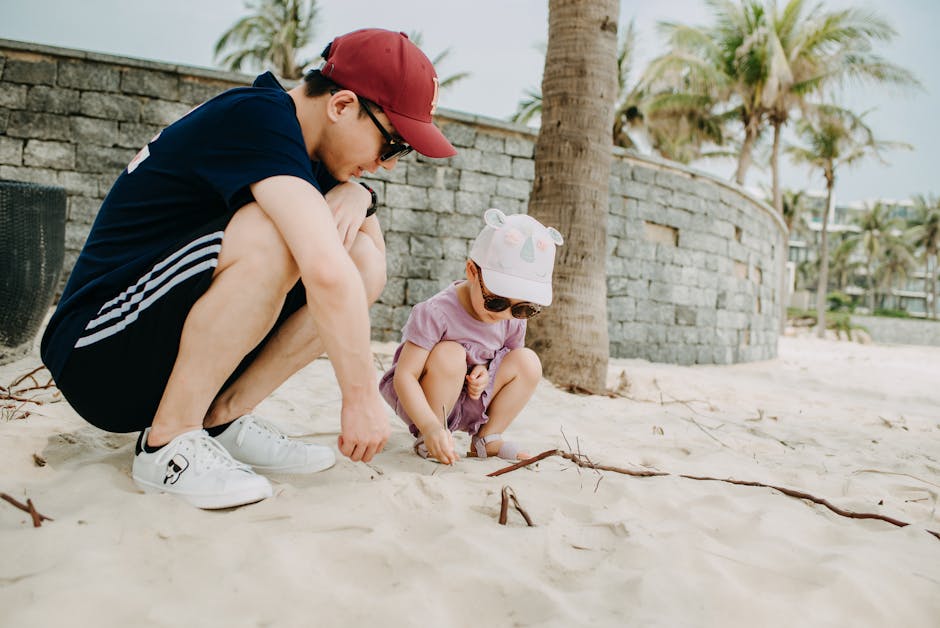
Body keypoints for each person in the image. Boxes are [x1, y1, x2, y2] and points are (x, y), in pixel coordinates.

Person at [39, 29, 457, 509]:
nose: (388, 165)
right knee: (275, 234)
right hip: (96, 350)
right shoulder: (257, 118)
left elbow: (369, 263)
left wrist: (361, 195)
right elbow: (323, 269)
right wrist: (360, 396)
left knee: (361, 259)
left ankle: (221, 418)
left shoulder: (310, 150)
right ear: (341, 106)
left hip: (147, 345)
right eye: (392, 145)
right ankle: (166, 443)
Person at [379, 208, 564, 465]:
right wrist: (430, 426)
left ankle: (486, 439)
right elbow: (405, 376)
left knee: (528, 361)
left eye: (525, 307)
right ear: (472, 271)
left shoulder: (512, 318)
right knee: (450, 353)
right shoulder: (436, 313)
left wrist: (483, 371)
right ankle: (432, 436)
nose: (506, 314)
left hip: (475, 399)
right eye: (496, 301)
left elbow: (507, 361)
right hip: (429, 402)